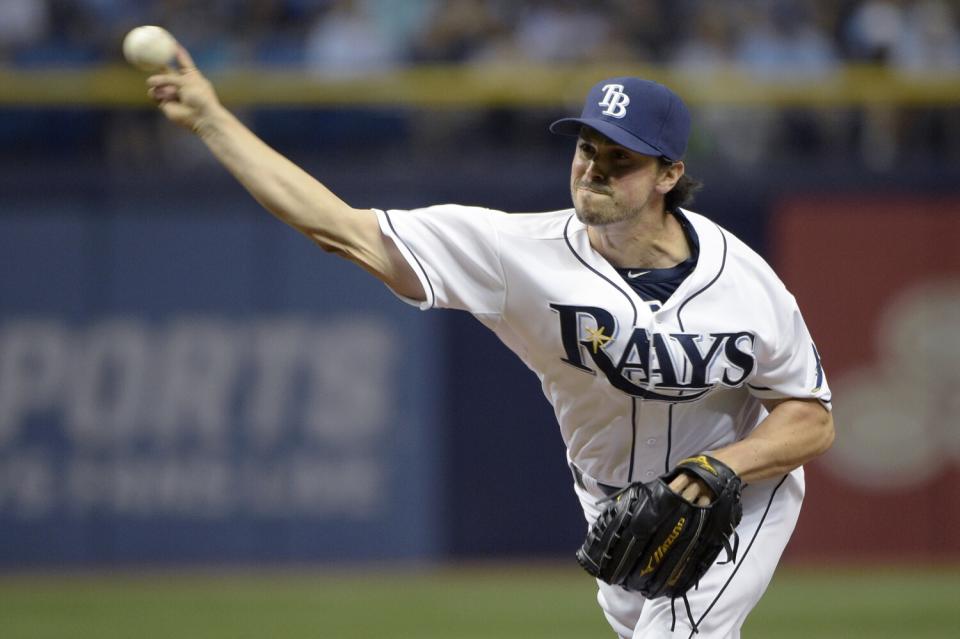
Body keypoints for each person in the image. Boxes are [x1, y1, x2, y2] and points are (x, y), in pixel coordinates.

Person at [146, 47, 835, 638]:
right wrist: (212, 119)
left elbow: (811, 417)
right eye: (586, 148)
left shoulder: (745, 282)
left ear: (668, 175)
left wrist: (723, 467)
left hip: (734, 494)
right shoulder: (518, 253)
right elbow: (342, 229)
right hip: (614, 506)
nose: (593, 169)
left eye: (619, 158)